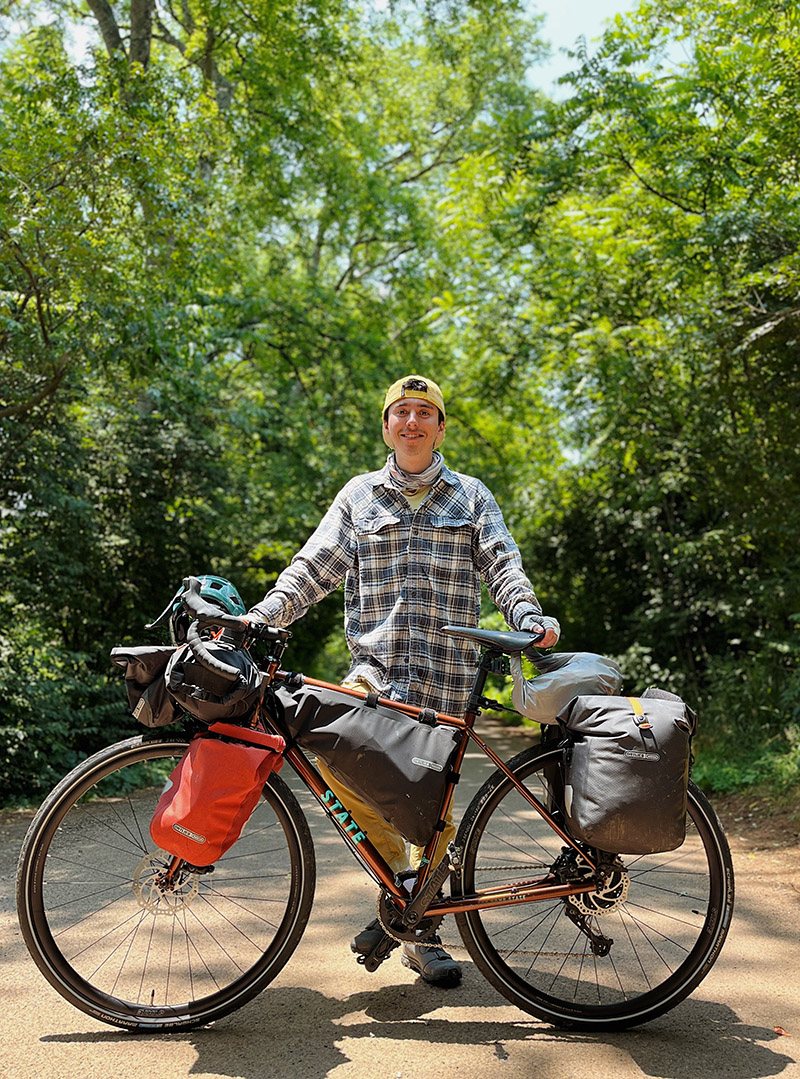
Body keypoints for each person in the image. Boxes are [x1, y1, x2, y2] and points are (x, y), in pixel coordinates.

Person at [249, 375, 560, 987]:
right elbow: (313, 568)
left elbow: (502, 563)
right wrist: (262, 618)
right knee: (335, 761)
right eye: (401, 413)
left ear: (441, 428)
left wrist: (526, 616)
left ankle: (419, 927)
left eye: (425, 413)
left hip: (447, 679)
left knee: (433, 815)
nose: (413, 422)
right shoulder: (359, 496)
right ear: (386, 427)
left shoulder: (470, 496)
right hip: (376, 672)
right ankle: (400, 899)